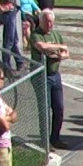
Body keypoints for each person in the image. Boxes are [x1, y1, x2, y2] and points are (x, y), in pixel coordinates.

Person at [28, 10, 69, 150]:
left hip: (55, 74)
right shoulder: (36, 34)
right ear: (41, 21)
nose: (50, 24)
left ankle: (55, 138)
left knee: (59, 108)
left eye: (51, 21)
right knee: (44, 108)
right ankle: (45, 141)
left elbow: (66, 53)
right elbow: (42, 47)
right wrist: (59, 48)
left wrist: (57, 55)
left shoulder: (56, 35)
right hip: (42, 76)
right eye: (47, 21)